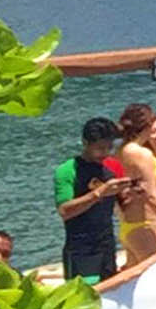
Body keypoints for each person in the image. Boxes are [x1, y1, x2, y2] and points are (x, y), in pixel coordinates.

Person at [55, 116, 125, 279]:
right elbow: (65, 211)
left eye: (109, 147)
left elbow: (121, 204)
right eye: (100, 148)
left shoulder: (110, 166)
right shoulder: (67, 170)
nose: (105, 153)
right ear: (85, 143)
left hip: (106, 243)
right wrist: (98, 193)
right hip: (80, 248)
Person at [111, 103, 156, 260]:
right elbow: (150, 193)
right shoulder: (141, 153)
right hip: (146, 225)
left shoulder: (119, 151)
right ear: (148, 124)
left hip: (130, 224)